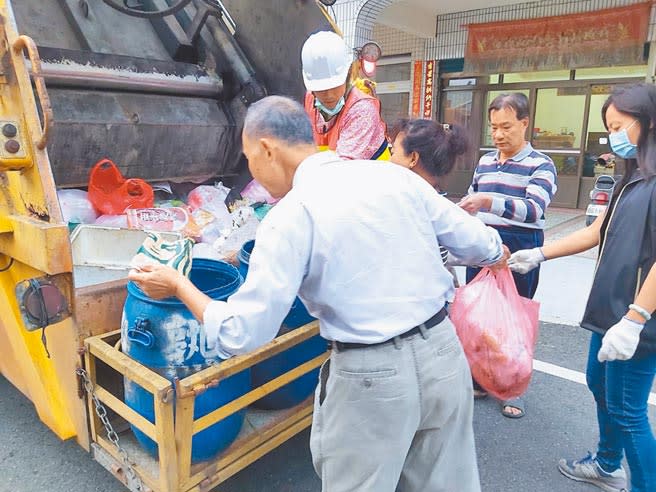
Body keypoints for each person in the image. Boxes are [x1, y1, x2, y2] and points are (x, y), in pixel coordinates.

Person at [129, 95, 509, 492]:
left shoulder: (291, 215)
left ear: (266, 149)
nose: (252, 171)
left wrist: (178, 284)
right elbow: (483, 245)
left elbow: (242, 333)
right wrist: (500, 253)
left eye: (249, 158)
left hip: (371, 378)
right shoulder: (393, 177)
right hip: (443, 356)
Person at [508, 83, 656, 492]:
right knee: (598, 382)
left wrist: (636, 318)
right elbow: (595, 231)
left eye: (619, 125)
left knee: (628, 409)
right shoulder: (631, 178)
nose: (613, 136)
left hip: (637, 320)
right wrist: (540, 253)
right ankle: (608, 464)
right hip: (610, 311)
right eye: (609, 127)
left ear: (648, 122)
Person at [459, 92, 558, 418]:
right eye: (494, 128)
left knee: (514, 322)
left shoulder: (541, 165)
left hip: (521, 248)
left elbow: (534, 210)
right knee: (479, 317)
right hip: (484, 245)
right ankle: (480, 378)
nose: (499, 135)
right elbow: (473, 198)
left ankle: (514, 388)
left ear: (524, 123)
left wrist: (487, 202)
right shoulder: (486, 161)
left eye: (506, 127)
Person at [388, 118, 468, 279]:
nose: (390, 160)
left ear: (413, 159)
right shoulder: (441, 203)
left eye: (393, 152)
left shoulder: (411, 205)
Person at [301, 30, 390, 160]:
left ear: (347, 75)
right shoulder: (310, 100)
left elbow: (342, 170)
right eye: (321, 88)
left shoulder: (362, 110)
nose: (328, 94)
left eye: (334, 85)